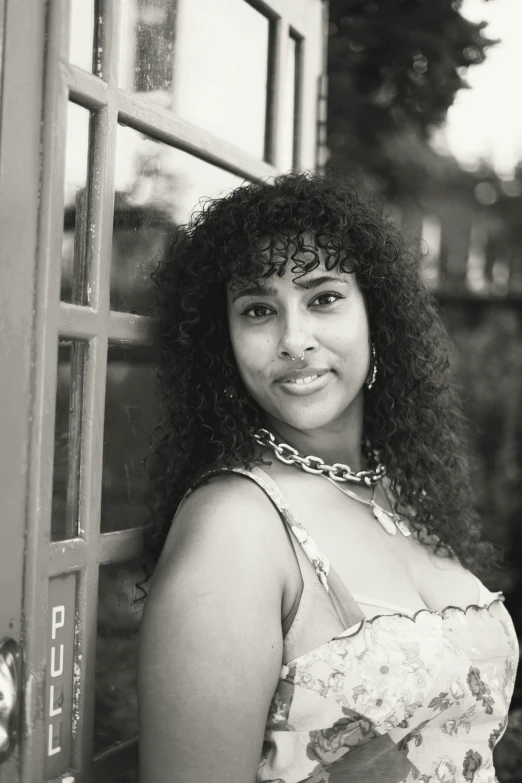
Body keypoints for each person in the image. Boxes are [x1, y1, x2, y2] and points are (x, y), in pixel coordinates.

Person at [137, 171, 518, 783]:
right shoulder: (236, 528)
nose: (294, 340)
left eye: (323, 298)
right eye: (259, 310)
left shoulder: (396, 489)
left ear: (378, 316)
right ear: (223, 343)